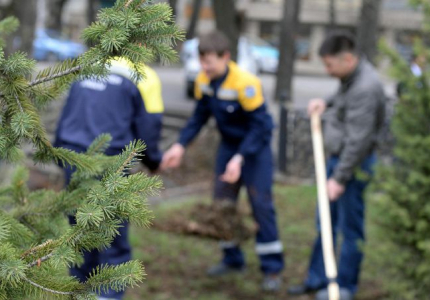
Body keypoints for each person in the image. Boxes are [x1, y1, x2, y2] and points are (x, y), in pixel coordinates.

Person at [161, 31, 284, 292]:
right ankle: (232, 259)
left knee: (261, 205)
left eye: (210, 62)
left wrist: (240, 158)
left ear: (226, 57)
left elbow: (261, 127)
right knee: (222, 204)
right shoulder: (204, 81)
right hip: (228, 148)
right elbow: (199, 117)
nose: (205, 67)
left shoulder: (246, 83)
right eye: (201, 61)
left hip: (254, 151)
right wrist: (180, 145)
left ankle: (272, 268)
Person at [54, 57, 164, 300]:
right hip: (112, 161)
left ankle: (80, 290)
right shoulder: (143, 74)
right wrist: (154, 161)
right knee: (111, 234)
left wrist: (58, 150)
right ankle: (108, 295)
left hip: (74, 157)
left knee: (79, 231)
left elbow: (67, 115)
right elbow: (150, 125)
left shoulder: (87, 67)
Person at [287, 32, 386, 299]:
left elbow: (359, 141)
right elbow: (343, 98)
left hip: (354, 165)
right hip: (336, 161)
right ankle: (318, 279)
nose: (327, 70)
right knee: (325, 224)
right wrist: (326, 102)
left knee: (350, 229)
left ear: (348, 59)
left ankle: (344, 287)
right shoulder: (350, 78)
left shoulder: (366, 86)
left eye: (330, 65)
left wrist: (340, 178)